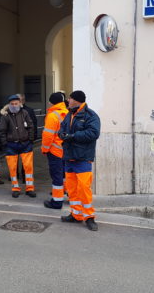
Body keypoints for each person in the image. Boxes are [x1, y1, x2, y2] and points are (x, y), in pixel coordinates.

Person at [58, 90, 101, 231]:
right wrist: (62, 134)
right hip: (69, 158)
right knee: (71, 189)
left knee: (83, 188)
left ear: (76, 100)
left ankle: (89, 217)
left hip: (82, 158)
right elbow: (62, 129)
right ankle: (76, 215)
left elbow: (94, 133)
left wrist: (72, 136)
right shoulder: (69, 114)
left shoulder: (90, 115)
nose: (68, 100)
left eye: (70, 98)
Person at [0, 94, 36, 198]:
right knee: (12, 168)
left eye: (16, 103)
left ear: (20, 103)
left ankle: (30, 188)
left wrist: (31, 139)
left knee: (28, 168)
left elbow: (31, 126)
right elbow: (2, 131)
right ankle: (15, 188)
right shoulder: (5, 116)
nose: (14, 105)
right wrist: (5, 144)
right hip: (11, 145)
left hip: (25, 144)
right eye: (12, 104)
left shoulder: (25, 113)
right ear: (9, 105)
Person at [42, 92, 69, 209]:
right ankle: (66, 194)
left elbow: (48, 136)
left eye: (49, 101)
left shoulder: (52, 116)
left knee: (56, 175)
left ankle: (57, 201)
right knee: (65, 174)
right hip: (66, 150)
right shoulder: (68, 113)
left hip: (55, 151)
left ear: (52, 102)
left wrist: (45, 149)